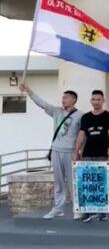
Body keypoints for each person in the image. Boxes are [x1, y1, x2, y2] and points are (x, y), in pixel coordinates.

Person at [19, 84, 83, 219]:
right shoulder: (56, 111)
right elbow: (41, 103)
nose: (63, 100)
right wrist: (29, 90)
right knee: (58, 181)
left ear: (74, 99)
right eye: (63, 97)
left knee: (73, 182)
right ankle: (58, 208)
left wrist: (79, 151)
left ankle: (77, 209)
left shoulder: (80, 115)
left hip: (70, 152)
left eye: (66, 97)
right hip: (56, 151)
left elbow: (83, 135)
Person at [73, 90, 109, 222]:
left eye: (98, 99)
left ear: (103, 101)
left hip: (103, 154)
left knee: (101, 183)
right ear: (91, 101)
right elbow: (81, 134)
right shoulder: (85, 117)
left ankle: (102, 211)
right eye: (93, 99)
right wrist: (77, 151)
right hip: (87, 154)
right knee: (87, 183)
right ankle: (87, 211)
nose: (96, 102)